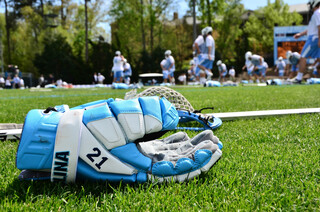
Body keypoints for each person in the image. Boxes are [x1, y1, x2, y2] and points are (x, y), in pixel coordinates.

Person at [293, 0, 320, 83]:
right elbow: (311, 29)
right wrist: (300, 34)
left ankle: (298, 78)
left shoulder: (317, 13)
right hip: (315, 37)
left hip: (313, 39)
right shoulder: (317, 13)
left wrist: (319, 39)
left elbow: (319, 27)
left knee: (303, 57)